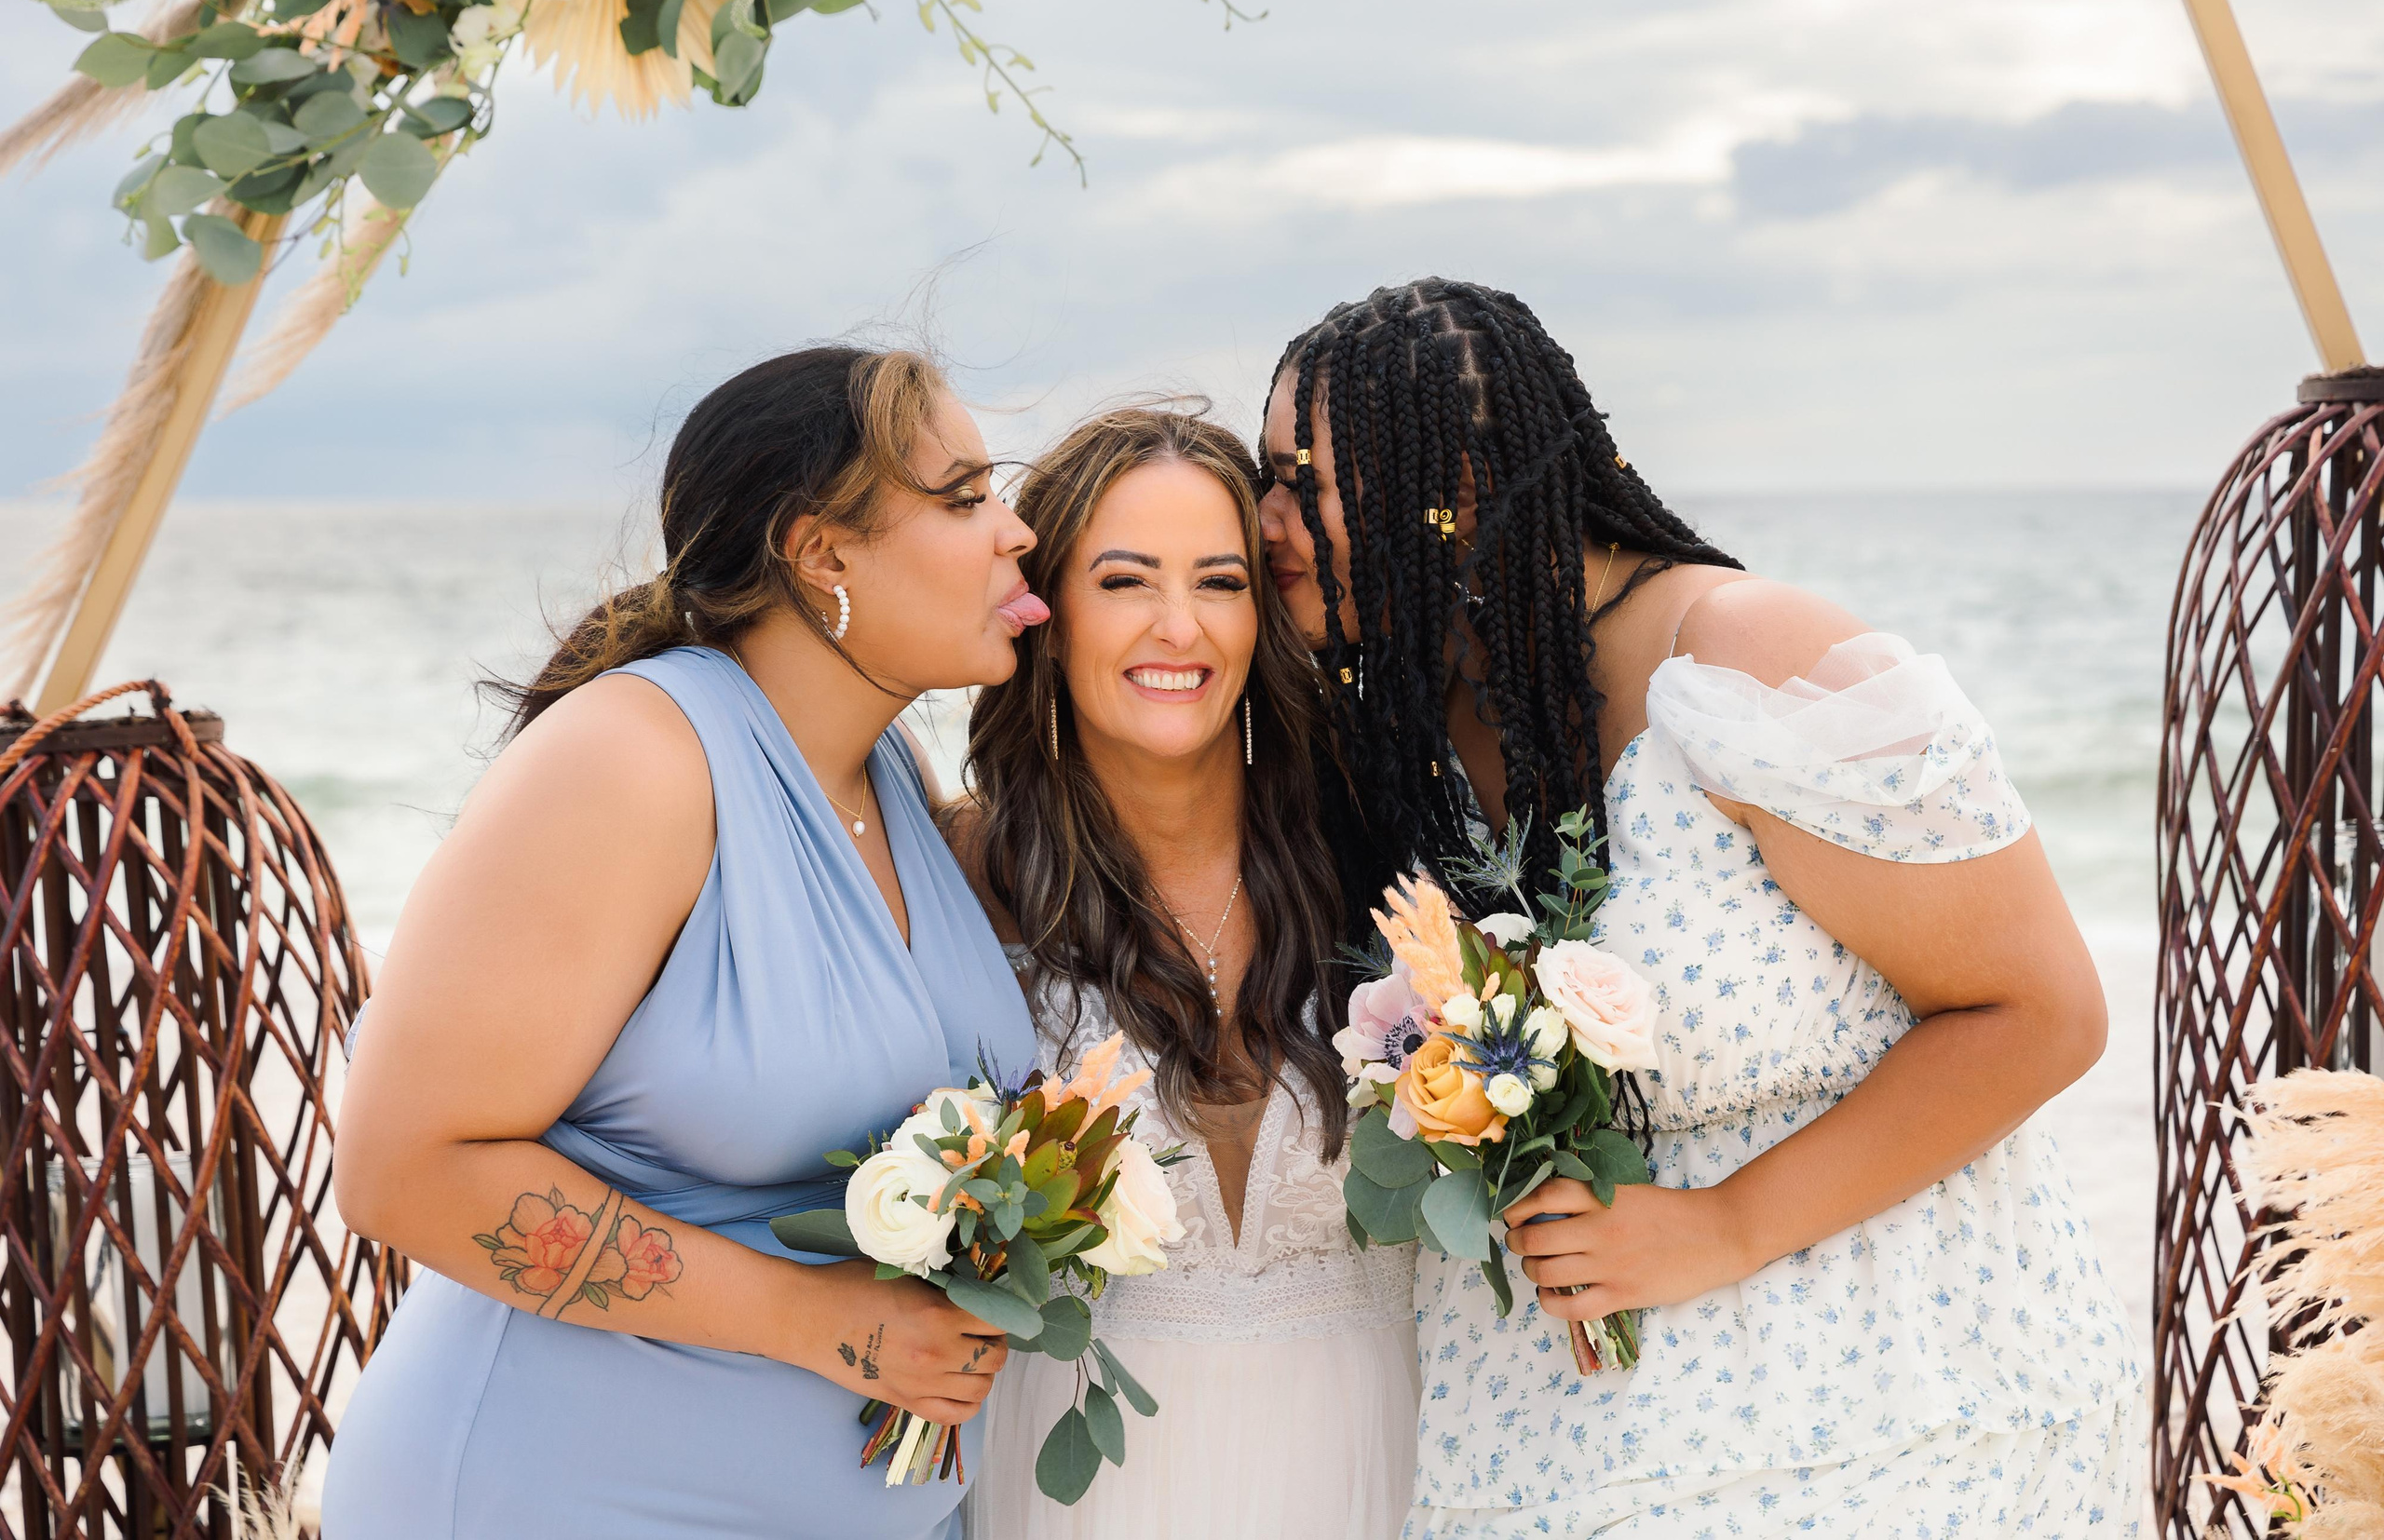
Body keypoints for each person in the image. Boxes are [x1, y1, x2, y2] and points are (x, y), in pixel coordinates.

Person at [1256, 280, 2144, 1536]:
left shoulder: (1745, 658)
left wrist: (1724, 1223)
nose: (1268, 518)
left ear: (1452, 471)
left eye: (1308, 477)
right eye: (1263, 473)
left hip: (1886, 1412)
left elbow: (2044, 1010)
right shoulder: (1400, 731)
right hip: (1555, 1438)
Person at [325, 347, 1049, 1539]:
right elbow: (404, 1167)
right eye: (966, 498)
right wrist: (823, 1323)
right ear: (823, 554)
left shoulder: (891, 782)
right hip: (568, 1496)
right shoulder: (634, 760)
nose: (1015, 533)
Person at [955, 407, 1419, 1539]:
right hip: (1076, 1492)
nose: (1180, 628)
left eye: (1219, 582)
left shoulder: (1374, 852)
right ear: (1048, 614)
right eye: (1123, 582)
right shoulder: (962, 876)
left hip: (1377, 1476)